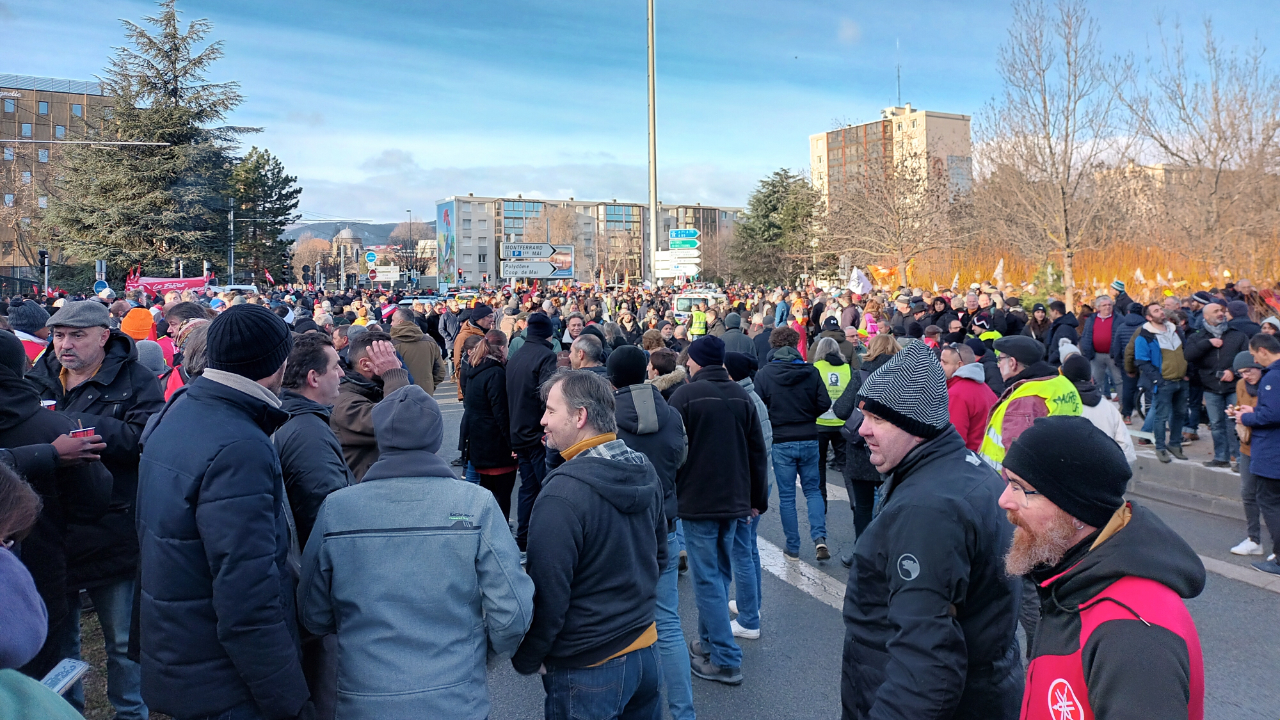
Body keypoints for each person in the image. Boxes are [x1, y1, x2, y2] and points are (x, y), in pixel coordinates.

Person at [299, 384, 532, 720]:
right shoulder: (474, 504)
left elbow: (313, 613)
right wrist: (481, 652)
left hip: (364, 698)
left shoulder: (337, 509)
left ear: (380, 436)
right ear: (436, 438)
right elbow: (512, 612)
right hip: (455, 696)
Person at [136, 304, 312, 720]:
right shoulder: (240, 446)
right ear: (279, 362)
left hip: (181, 653)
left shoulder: (179, 408)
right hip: (225, 677)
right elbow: (248, 593)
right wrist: (289, 700)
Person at [843, 340, 1021, 720]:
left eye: (877, 419)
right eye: (863, 416)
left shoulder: (928, 510)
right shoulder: (963, 469)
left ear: (916, 424)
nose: (861, 431)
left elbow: (926, 665)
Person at [1000, 416, 1205, 719]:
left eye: (1020, 488)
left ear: (1076, 509)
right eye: (1007, 483)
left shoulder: (1133, 636)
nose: (1004, 500)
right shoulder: (1071, 576)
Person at [27, 300, 164, 720]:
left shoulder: (137, 380)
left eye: (76, 335)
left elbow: (147, 440)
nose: (64, 345)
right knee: (59, 641)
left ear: (104, 336)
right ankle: (66, 712)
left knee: (122, 640)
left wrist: (78, 427)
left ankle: (130, 712)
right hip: (51, 529)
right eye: (58, 335)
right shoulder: (38, 378)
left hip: (113, 528)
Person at [512, 370, 667, 718]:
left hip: (588, 665)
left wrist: (529, 656)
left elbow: (549, 593)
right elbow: (658, 557)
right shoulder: (644, 468)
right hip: (645, 649)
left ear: (579, 416)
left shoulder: (562, 494)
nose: (542, 421)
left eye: (551, 411)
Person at [0, 330, 112, 683]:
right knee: (43, 685)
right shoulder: (52, 428)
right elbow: (93, 501)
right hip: (39, 579)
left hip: (41, 575)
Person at [669, 336, 768, 685]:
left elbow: (673, 450)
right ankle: (709, 642)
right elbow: (758, 452)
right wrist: (758, 499)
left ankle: (725, 657)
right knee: (719, 574)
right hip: (735, 499)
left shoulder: (685, 396)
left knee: (708, 579)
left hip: (699, 499)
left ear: (695, 361)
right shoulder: (742, 397)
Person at [607, 346, 695, 720]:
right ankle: (682, 712)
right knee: (669, 623)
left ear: (611, 378)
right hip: (664, 523)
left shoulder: (606, 415)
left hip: (617, 528)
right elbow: (681, 459)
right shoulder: (671, 413)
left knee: (614, 623)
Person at [755, 326, 832, 561]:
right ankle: (819, 538)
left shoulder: (765, 374)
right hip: (809, 435)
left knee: (787, 497)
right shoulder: (811, 371)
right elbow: (824, 402)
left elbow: (759, 408)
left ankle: (793, 545)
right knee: (813, 490)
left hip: (781, 439)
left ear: (773, 346)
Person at [723, 351, 772, 638]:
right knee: (749, 549)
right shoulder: (752, 398)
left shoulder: (740, 402)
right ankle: (749, 604)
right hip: (759, 486)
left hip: (749, 489)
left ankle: (749, 619)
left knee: (741, 551)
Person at [980, 335, 1082, 469]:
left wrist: (1013, 489)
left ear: (1012, 362)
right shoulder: (1061, 384)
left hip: (1006, 483)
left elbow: (1017, 458)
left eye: (1000, 359)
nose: (998, 365)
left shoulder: (1024, 399)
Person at [505, 313, 559, 555]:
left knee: (528, 488)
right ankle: (544, 540)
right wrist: (547, 428)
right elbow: (547, 395)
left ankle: (523, 538)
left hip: (518, 431)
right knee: (547, 487)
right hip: (538, 432)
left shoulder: (516, 355)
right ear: (548, 333)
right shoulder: (545, 355)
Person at [331, 331, 410, 481]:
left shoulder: (371, 389)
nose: (398, 363)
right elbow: (400, 421)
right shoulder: (346, 403)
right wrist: (393, 374)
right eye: (389, 357)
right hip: (362, 491)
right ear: (365, 365)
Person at [1184, 300, 1250, 468]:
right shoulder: (1198, 336)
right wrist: (1208, 343)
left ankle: (1239, 458)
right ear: (1206, 316)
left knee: (1235, 422)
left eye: (1221, 310)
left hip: (1233, 387)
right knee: (1216, 424)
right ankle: (1221, 457)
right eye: (1215, 311)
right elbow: (1189, 355)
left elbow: (1247, 357)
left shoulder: (1237, 335)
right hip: (1210, 387)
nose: (1220, 313)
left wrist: (1232, 371)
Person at [462, 330, 519, 519]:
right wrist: (513, 444)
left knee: (488, 495)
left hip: (479, 443)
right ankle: (499, 535)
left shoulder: (474, 369)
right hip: (496, 447)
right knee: (502, 497)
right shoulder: (495, 373)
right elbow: (501, 413)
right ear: (502, 348)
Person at [1236, 332, 1280, 575]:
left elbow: (1272, 414)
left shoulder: (1273, 376)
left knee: (1270, 502)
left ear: (1263, 351)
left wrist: (1247, 416)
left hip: (1272, 451)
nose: (1254, 361)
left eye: (1254, 356)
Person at [1135, 302, 1189, 464]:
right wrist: (1158, 380)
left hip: (1181, 380)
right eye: (1156, 311)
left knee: (1179, 414)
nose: (1161, 312)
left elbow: (1185, 352)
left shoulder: (1175, 330)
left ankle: (1175, 444)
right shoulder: (1145, 336)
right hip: (1163, 382)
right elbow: (1142, 361)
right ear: (1149, 317)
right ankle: (1160, 447)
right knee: (1161, 416)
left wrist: (1188, 373)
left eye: (1160, 309)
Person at [1229, 351, 1271, 557]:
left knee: (1270, 497)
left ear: (1259, 366)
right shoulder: (1240, 386)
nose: (1246, 375)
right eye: (1241, 373)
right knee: (1248, 493)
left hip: (1269, 447)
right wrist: (1235, 412)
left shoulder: (1271, 383)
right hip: (1247, 446)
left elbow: (1269, 414)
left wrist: (1248, 414)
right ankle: (1254, 539)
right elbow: (1242, 409)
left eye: (1249, 370)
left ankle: (1277, 546)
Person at [1061, 354, 1137, 462]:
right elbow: (1126, 450)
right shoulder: (1108, 408)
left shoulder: (1058, 407)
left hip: (1072, 473)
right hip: (1107, 470)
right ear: (1090, 378)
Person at [941, 343, 998, 452]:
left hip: (967, 460)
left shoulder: (957, 394)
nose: (940, 365)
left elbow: (953, 441)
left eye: (945, 362)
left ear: (959, 365)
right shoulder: (985, 388)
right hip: (984, 458)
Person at [389, 308, 447, 395]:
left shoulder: (391, 344)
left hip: (399, 394)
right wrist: (430, 386)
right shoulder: (430, 341)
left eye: (393, 320)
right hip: (425, 393)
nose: (391, 323)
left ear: (400, 322)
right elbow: (440, 371)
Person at [1080, 294, 1123, 397]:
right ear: (1098, 307)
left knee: (1119, 380)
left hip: (1113, 355)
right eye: (1104, 305)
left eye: (1109, 305)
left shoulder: (1119, 319)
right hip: (1096, 355)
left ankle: (1123, 406)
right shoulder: (1091, 319)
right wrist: (1086, 351)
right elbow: (1085, 335)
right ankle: (1096, 404)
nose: (1107, 307)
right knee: (1096, 381)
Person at [453, 304, 493, 400]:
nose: (492, 320)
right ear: (480, 318)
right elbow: (458, 365)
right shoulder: (464, 336)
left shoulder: (485, 332)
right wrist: (464, 387)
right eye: (490, 316)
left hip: (484, 383)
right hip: (471, 386)